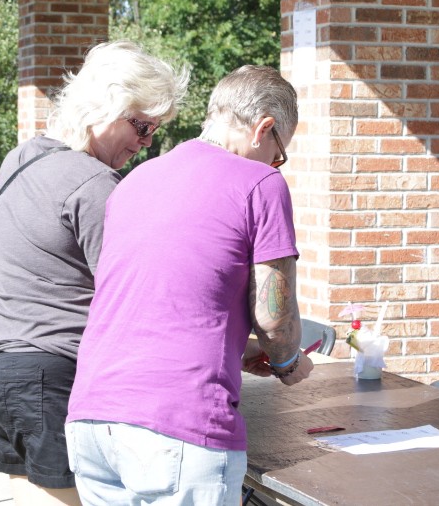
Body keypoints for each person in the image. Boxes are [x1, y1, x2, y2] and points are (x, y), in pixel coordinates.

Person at [65, 65, 313, 506]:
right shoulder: (261, 183)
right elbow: (274, 318)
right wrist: (287, 361)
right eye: (279, 153)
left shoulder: (136, 179)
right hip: (180, 427)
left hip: (93, 418)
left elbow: (157, 300)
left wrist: (236, 348)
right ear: (264, 128)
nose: (276, 165)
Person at [0, 41, 189, 506]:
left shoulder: (23, 156)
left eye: (155, 128)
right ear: (106, 106)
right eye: (142, 124)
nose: (148, 140)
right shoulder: (95, 184)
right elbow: (133, 300)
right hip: (50, 375)